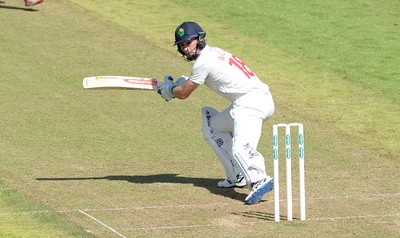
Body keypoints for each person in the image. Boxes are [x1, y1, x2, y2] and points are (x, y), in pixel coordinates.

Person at [157, 22, 275, 205]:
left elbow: (184, 94)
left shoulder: (203, 63)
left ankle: (259, 179)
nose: (185, 48)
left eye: (188, 43)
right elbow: (192, 82)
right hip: (253, 101)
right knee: (214, 128)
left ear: (199, 39)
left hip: (251, 103)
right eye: (181, 45)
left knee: (240, 148)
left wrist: (171, 89)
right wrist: (179, 84)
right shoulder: (213, 53)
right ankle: (236, 176)